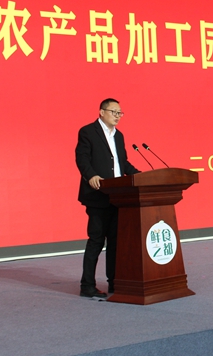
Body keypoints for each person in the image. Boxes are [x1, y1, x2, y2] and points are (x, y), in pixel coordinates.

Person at [75, 98, 140, 298]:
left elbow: (122, 163)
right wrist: (91, 176)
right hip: (97, 195)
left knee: (115, 242)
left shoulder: (118, 136)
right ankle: (87, 285)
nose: (118, 116)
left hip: (117, 197)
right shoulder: (88, 132)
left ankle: (114, 282)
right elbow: (82, 158)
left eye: (120, 113)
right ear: (102, 112)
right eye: (114, 112)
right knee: (96, 240)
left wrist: (140, 176)